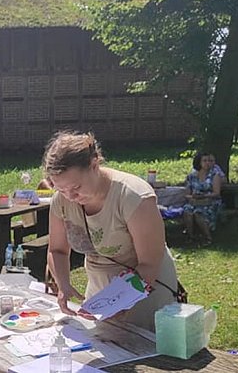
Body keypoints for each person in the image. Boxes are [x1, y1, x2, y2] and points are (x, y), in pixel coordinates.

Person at [42, 131, 179, 331]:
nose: (70, 196)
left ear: (94, 165)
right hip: (100, 291)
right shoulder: (61, 201)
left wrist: (121, 300)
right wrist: (63, 284)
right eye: (61, 190)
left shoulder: (134, 196)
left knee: (142, 352)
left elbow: (149, 263)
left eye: (76, 187)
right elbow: (57, 250)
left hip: (146, 288)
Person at [182, 152, 223, 245]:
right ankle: (190, 237)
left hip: (211, 201)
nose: (207, 163)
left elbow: (216, 193)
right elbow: (187, 194)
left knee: (198, 213)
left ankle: (208, 237)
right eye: (204, 161)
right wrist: (192, 198)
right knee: (187, 211)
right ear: (198, 162)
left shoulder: (214, 175)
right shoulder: (191, 176)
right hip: (195, 201)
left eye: (209, 160)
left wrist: (203, 196)